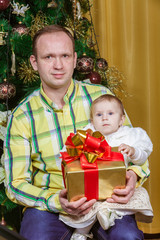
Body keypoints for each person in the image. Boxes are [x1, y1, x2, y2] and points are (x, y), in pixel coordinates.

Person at [4, 24, 149, 240]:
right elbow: (15, 184)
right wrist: (54, 201)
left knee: (127, 237)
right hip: (50, 205)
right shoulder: (22, 116)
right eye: (48, 57)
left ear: (74, 59)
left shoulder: (102, 97)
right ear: (34, 63)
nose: (58, 65)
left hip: (107, 199)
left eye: (64, 55)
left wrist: (132, 176)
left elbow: (135, 150)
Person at [59, 94, 153, 240]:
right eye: (99, 114)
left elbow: (143, 156)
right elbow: (70, 151)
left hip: (117, 188)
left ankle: (108, 215)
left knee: (119, 209)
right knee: (85, 210)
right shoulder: (88, 135)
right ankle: (81, 232)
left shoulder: (131, 136)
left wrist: (133, 152)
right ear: (92, 121)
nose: (104, 118)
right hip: (93, 186)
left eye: (110, 113)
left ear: (121, 119)